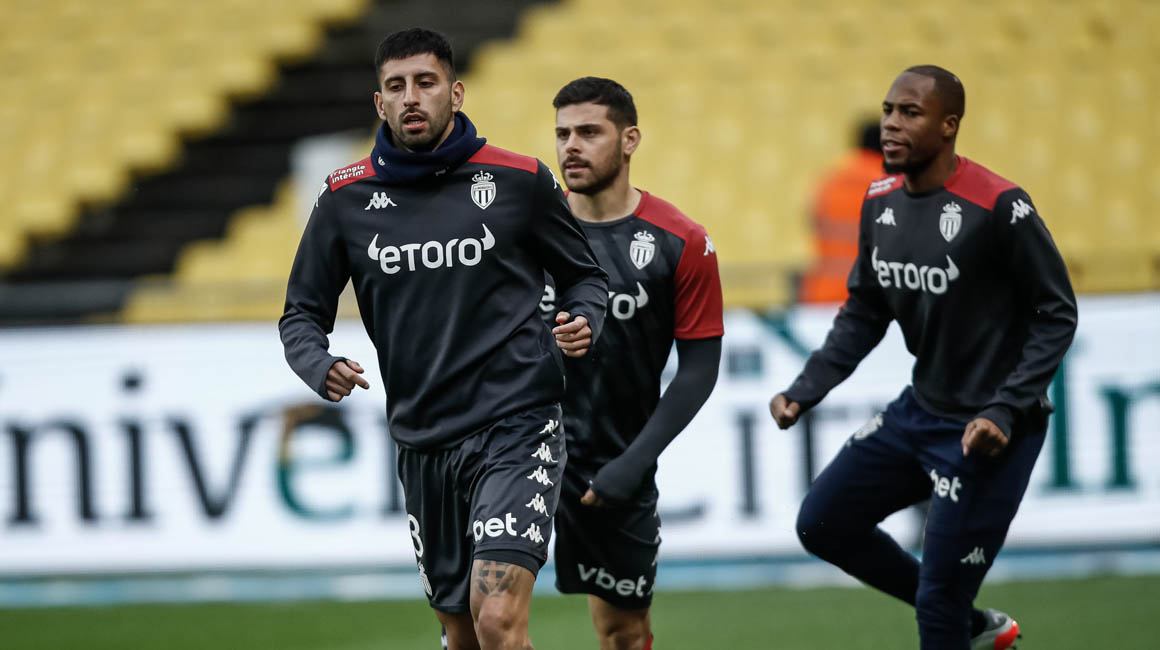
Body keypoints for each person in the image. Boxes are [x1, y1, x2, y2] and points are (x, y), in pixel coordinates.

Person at [278, 28, 609, 650]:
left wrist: (585, 318)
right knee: (461, 635)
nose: (411, 97)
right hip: (423, 440)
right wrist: (317, 363)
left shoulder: (518, 180)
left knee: (497, 617)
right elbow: (301, 314)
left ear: (454, 93)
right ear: (379, 103)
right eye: (396, 86)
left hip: (517, 424)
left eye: (425, 83)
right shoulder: (344, 198)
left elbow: (585, 276)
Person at [769, 65, 1077, 650]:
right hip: (921, 410)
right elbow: (865, 311)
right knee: (823, 524)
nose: (892, 123)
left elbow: (1056, 313)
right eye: (889, 110)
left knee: (938, 605)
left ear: (948, 125)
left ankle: (954, 614)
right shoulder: (879, 200)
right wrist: (806, 389)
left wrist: (1005, 408)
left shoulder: (1000, 206)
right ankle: (973, 624)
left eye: (910, 113)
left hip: (988, 429)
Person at [543, 77, 724, 650]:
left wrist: (633, 462)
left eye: (589, 132)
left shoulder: (681, 241)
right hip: (517, 452)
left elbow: (698, 371)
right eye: (563, 134)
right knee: (488, 619)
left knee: (622, 633)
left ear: (629, 140)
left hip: (610, 464)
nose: (571, 146)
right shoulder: (524, 228)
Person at [798, 119, 884, 304]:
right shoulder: (890, 185)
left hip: (823, 293)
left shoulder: (829, 181)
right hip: (870, 298)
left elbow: (813, 223)